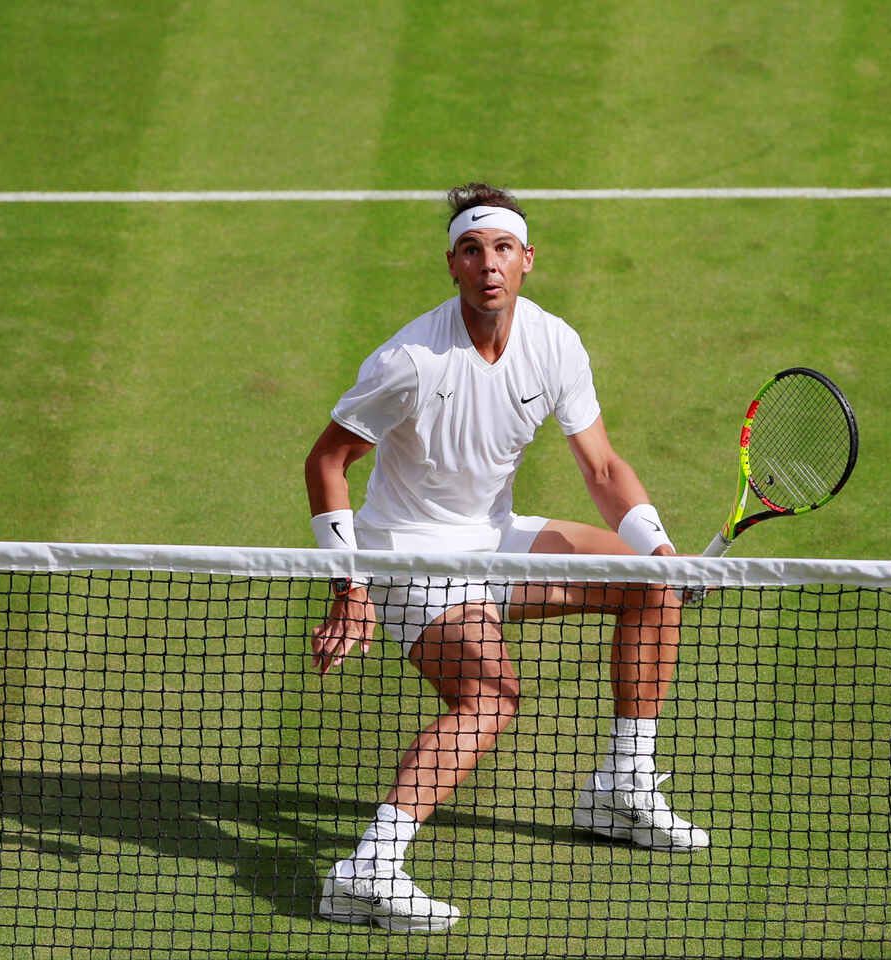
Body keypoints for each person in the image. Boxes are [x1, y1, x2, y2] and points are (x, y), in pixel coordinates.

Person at [304, 183, 708, 933]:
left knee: (649, 585)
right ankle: (368, 868)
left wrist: (658, 546)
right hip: (410, 558)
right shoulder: (411, 361)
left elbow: (602, 467)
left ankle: (623, 784)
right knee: (490, 698)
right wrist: (350, 587)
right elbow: (327, 461)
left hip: (492, 537)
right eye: (471, 250)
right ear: (452, 266)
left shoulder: (554, 343)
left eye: (502, 249)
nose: (488, 264)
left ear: (527, 261)